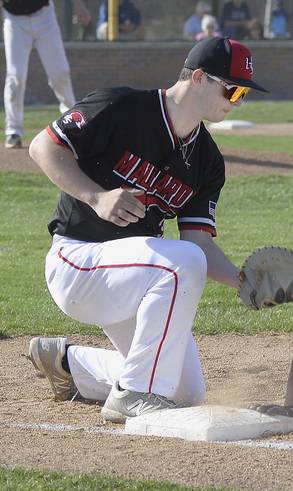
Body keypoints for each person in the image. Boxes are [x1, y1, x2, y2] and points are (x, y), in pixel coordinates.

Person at [24, 37, 269, 424]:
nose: (238, 101)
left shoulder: (207, 161)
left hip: (132, 279)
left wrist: (246, 282)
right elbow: (43, 146)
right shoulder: (121, 106)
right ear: (200, 78)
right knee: (180, 264)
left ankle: (68, 362)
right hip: (78, 260)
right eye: (233, 88)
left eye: (245, 94)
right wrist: (96, 196)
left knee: (185, 392)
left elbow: (199, 243)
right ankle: (135, 393)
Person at [2, 0, 90, 149]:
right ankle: (13, 130)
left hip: (44, 16)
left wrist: (79, 6)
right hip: (14, 19)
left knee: (60, 72)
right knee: (15, 76)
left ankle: (74, 121)